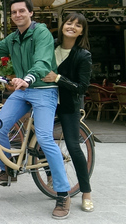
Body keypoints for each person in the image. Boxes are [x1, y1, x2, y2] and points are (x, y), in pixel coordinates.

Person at [0, 0, 72, 219]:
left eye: (22, 11)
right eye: (14, 12)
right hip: (23, 90)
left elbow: (42, 61)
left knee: (44, 137)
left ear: (31, 13)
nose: (17, 15)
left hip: (42, 89)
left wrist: (29, 79)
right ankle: (7, 170)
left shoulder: (41, 32)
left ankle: (63, 193)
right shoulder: (13, 38)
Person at [42, 13, 94, 212]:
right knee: (38, 139)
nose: (72, 26)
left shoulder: (83, 55)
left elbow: (82, 87)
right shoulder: (51, 45)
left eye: (78, 25)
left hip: (68, 105)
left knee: (73, 146)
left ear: (82, 32)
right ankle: (50, 175)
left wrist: (58, 78)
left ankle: (86, 191)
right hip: (45, 101)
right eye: (69, 22)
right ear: (63, 25)